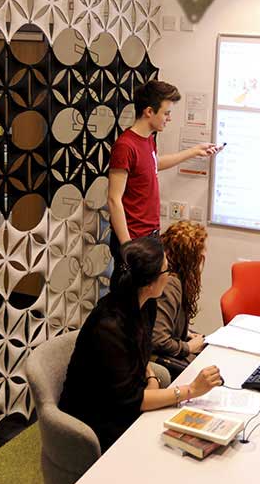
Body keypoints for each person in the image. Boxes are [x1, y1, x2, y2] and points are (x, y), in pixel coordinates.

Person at [58, 237, 223, 452]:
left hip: (127, 400)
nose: (170, 275)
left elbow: (140, 354)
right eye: (166, 270)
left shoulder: (145, 305)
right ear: (149, 283)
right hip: (98, 418)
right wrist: (191, 390)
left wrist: (151, 378)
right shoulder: (109, 327)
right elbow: (132, 401)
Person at [108, 80, 219, 264]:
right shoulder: (125, 146)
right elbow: (114, 199)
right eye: (166, 113)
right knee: (132, 292)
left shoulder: (148, 140)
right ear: (149, 111)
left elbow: (152, 164)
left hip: (150, 233)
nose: (169, 118)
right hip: (134, 238)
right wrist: (126, 245)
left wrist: (195, 150)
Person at [152, 221, 208, 378]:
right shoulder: (170, 283)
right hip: (158, 359)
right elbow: (158, 340)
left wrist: (186, 333)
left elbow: (161, 323)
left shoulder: (172, 278)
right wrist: (188, 347)